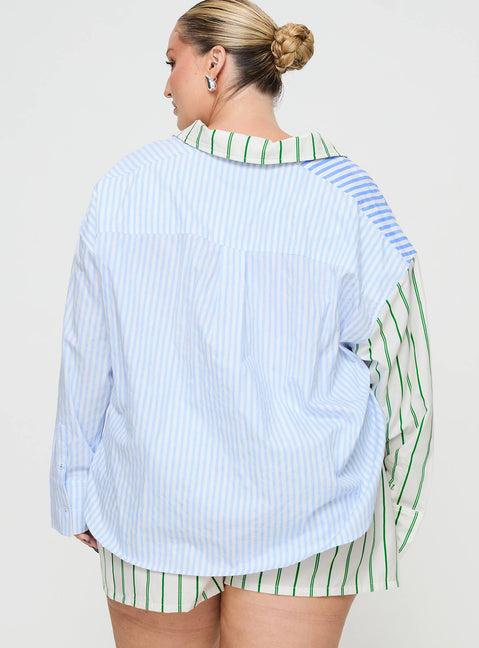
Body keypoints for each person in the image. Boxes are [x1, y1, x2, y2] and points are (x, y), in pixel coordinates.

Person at [49, 1, 434, 646]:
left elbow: (87, 356)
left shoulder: (126, 188)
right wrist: (390, 520)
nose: (165, 85)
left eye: (171, 62)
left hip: (151, 510)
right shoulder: (351, 199)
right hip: (312, 518)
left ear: (215, 62)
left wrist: (77, 487)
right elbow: (406, 381)